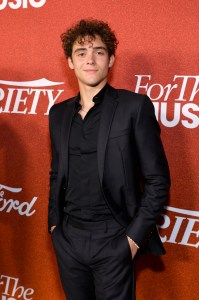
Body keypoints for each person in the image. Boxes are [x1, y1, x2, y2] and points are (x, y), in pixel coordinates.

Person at [48, 19, 170, 300]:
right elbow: (56, 173)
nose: (89, 59)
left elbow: (157, 180)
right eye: (81, 53)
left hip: (114, 237)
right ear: (70, 61)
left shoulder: (133, 107)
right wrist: (55, 226)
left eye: (99, 52)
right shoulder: (58, 114)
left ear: (111, 59)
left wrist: (132, 241)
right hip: (68, 239)